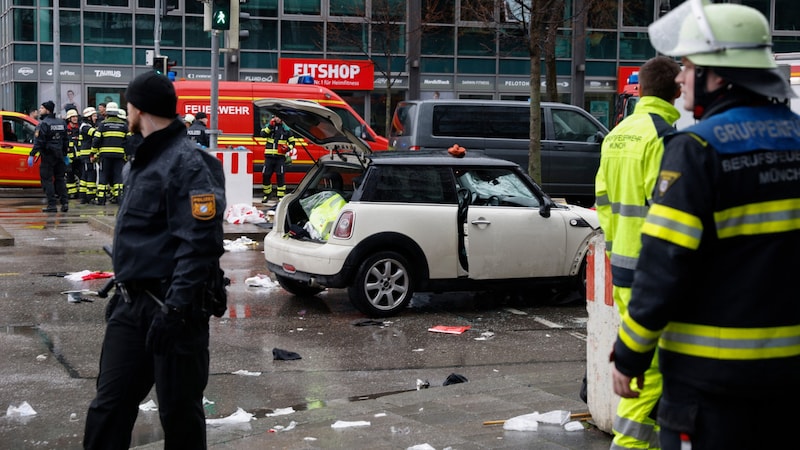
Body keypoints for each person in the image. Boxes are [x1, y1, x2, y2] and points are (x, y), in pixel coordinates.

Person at [611, 2, 800, 449]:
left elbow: (663, 266)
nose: (680, 78)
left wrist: (630, 355)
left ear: (719, 76)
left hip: (711, 382)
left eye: (689, 66)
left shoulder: (695, 147)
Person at [84, 71, 226, 449]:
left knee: (179, 416)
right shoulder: (141, 161)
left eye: (128, 104)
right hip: (132, 306)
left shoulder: (190, 163)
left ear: (138, 108)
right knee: (108, 408)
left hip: (174, 311)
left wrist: (177, 311)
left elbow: (201, 244)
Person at [595, 55, 681, 450]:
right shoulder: (663, 137)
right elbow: (668, 216)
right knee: (655, 370)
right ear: (676, 92)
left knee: (638, 361)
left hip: (623, 266)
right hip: (652, 273)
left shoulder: (618, 133)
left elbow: (603, 200)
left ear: (640, 89)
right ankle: (628, 446)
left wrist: (617, 248)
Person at [28, 101, 69, 213]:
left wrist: (32, 154)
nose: (40, 110)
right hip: (59, 155)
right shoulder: (61, 123)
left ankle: (52, 205)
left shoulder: (43, 124)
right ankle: (65, 203)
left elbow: (39, 142)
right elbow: (66, 140)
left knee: (47, 180)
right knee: (60, 179)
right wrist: (65, 155)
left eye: (42, 108)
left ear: (48, 110)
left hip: (48, 155)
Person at [91, 101, 128, 205]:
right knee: (118, 176)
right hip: (119, 156)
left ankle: (101, 199)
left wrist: (93, 153)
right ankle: (119, 198)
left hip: (105, 155)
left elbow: (96, 140)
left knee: (103, 175)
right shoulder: (124, 125)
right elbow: (128, 140)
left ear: (107, 112)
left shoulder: (103, 124)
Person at [259, 115, 296, 203]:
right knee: (265, 175)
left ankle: (280, 196)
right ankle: (267, 194)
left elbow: (292, 142)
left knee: (280, 176)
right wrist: (270, 126)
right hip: (269, 157)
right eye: (276, 117)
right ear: (273, 118)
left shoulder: (286, 129)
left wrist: (287, 148)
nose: (278, 119)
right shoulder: (269, 127)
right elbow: (263, 135)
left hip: (280, 157)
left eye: (279, 117)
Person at [77, 107, 98, 204]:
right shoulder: (85, 127)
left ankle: (84, 196)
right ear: (89, 117)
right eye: (94, 116)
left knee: (85, 175)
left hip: (86, 155)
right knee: (90, 174)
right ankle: (90, 196)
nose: (96, 118)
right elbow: (95, 134)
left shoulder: (86, 125)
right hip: (87, 155)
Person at [64, 109, 81, 199]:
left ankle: (80, 193)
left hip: (79, 157)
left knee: (82, 175)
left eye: (76, 117)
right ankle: (72, 193)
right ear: (69, 119)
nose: (75, 118)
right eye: (73, 117)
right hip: (69, 158)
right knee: (70, 176)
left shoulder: (80, 128)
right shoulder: (66, 130)